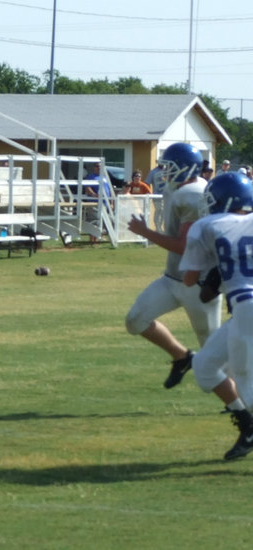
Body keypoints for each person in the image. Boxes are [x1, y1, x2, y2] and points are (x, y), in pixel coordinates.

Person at [125, 142, 219, 389]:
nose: (164, 172)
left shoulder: (194, 195)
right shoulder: (177, 188)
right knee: (135, 320)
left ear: (185, 168)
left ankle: (240, 404)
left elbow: (184, 246)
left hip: (199, 283)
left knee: (215, 356)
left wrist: (145, 232)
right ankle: (182, 357)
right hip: (173, 277)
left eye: (169, 167)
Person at [178, 172, 253, 460]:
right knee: (205, 365)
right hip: (242, 310)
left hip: (247, 306)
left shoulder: (207, 225)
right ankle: (248, 426)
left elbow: (189, 280)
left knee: (247, 386)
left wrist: (214, 273)